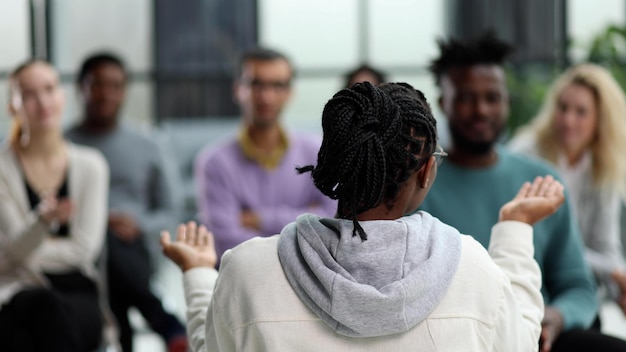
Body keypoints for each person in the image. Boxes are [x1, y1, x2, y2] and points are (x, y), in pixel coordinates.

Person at [162, 81, 568, 351]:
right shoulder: (472, 269)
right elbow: (518, 341)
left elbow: (210, 345)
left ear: (337, 161)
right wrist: (515, 229)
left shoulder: (247, 272)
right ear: (426, 170)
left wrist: (199, 273)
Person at [420, 31, 626, 351]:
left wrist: (557, 316)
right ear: (443, 102)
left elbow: (578, 286)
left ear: (507, 101)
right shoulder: (418, 182)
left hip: (539, 335)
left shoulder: (541, 179)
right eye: (465, 98)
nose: (481, 110)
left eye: (492, 98)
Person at [65, 53, 187, 352]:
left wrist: (139, 225)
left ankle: (126, 338)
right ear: (80, 88)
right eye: (96, 85)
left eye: (115, 86)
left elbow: (173, 211)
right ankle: (165, 322)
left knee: (112, 247)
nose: (106, 93)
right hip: (80, 254)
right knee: (101, 238)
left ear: (124, 91)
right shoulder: (64, 146)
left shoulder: (149, 145)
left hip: (136, 251)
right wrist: (94, 221)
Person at [0, 60, 110, 351]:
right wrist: (42, 222)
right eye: (28, 93)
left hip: (75, 290)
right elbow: (14, 247)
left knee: (43, 324)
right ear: (13, 106)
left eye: (49, 89)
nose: (43, 101)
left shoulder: (91, 165)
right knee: (38, 310)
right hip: (15, 291)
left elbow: (84, 250)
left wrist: (16, 254)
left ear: (62, 95)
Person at [194, 47, 336, 260]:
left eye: (277, 85)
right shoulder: (214, 163)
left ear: (290, 92)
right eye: (256, 84)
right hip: (244, 284)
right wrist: (305, 218)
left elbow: (333, 223)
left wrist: (259, 219)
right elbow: (226, 243)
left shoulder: (317, 152)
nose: (266, 96)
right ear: (237, 89)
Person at [509, 63, 626, 314]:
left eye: (581, 112)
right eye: (563, 108)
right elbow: (544, 246)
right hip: (530, 281)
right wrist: (612, 272)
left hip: (576, 287)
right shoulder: (526, 153)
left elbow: (607, 248)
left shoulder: (603, 166)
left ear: (601, 120)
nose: (568, 120)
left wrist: (619, 287)